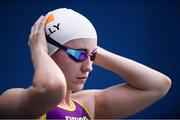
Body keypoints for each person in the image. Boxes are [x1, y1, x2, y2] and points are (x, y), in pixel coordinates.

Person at [0, 8, 171, 119]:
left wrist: (91, 49)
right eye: (78, 55)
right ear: (48, 51)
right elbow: (52, 86)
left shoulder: (87, 104)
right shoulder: (15, 102)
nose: (89, 67)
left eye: (92, 56)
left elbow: (159, 85)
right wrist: (38, 49)